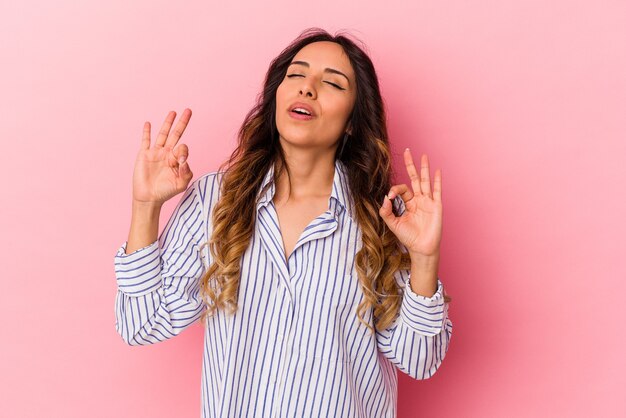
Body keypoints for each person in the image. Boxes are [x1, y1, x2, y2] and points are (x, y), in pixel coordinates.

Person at [114, 27, 453, 418]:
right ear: (276, 95)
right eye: (296, 75)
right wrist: (145, 207)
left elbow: (419, 360)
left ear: (352, 123)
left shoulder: (383, 222)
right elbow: (141, 323)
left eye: (331, 83)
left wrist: (424, 256)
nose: (307, 88)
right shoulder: (215, 201)